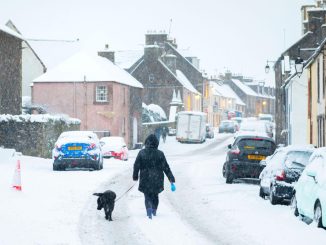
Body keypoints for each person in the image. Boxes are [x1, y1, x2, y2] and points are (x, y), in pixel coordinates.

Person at [133, 134, 175, 219]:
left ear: (146, 143)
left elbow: (136, 165)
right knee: (155, 195)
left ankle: (148, 209)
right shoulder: (160, 154)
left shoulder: (141, 153)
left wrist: (135, 176)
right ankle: (154, 210)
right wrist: (171, 178)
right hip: (157, 179)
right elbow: (166, 167)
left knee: (147, 195)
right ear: (156, 143)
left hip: (145, 178)